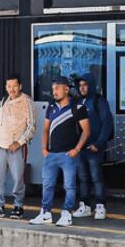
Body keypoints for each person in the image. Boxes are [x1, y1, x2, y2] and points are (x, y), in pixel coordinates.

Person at [30, 76, 91, 227]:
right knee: (47, 185)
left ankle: (67, 214)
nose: (54, 92)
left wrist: (77, 149)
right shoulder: (51, 107)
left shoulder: (78, 107)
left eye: (57, 88)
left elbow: (87, 131)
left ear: (66, 89)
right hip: (51, 154)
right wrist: (44, 148)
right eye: (53, 89)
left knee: (69, 186)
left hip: (68, 155)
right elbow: (45, 129)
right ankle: (45, 213)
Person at [0, 74, 36, 219]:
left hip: (16, 147)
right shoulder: (4, 100)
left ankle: (18, 206)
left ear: (20, 86)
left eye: (15, 86)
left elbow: (32, 126)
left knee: (18, 178)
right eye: (9, 86)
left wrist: (19, 142)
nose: (12, 89)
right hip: (0, 146)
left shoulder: (27, 101)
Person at [75, 76, 114, 220]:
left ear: (91, 85)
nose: (82, 88)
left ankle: (100, 206)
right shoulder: (78, 101)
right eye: (80, 85)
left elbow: (107, 123)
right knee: (83, 178)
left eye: (85, 85)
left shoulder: (99, 100)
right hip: (81, 147)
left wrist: (98, 144)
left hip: (94, 147)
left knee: (96, 177)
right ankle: (84, 206)